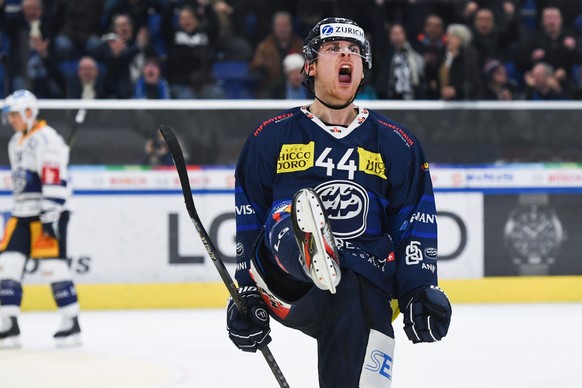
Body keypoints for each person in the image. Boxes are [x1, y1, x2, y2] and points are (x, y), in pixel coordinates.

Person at [225, 17, 452, 388]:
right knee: (289, 212)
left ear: (362, 71)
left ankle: (331, 260)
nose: (346, 54)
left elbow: (413, 223)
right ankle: (311, 249)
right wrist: (246, 293)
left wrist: (419, 289)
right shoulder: (271, 137)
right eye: (333, 49)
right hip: (290, 286)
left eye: (355, 51)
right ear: (310, 66)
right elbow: (250, 217)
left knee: (358, 367)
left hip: (363, 284)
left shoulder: (398, 143)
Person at [0, 90, 81, 349]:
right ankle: (9, 324)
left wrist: (50, 213)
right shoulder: (16, 142)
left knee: (52, 268)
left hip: (49, 213)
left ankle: (71, 323)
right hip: (22, 213)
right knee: (7, 264)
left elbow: (54, 178)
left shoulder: (48, 139)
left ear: (28, 112)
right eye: (9, 115)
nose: (12, 119)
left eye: (15, 114)